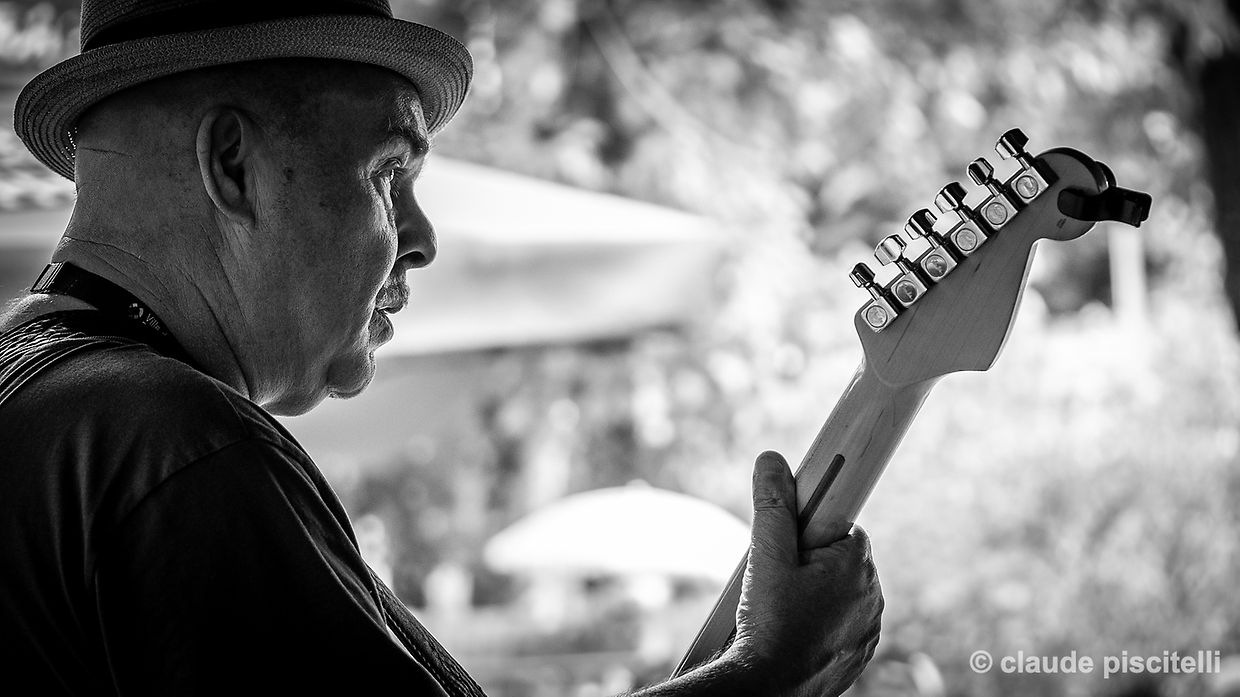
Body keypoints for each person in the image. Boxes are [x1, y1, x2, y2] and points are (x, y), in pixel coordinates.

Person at [0, 2, 883, 695]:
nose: (420, 238)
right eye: (389, 174)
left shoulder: (46, 397)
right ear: (232, 164)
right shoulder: (173, 445)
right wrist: (769, 674)